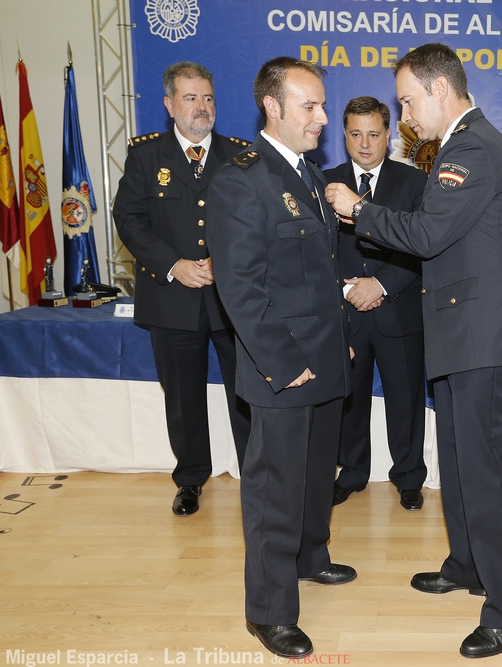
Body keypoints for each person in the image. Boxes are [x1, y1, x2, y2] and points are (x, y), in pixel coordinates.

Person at [326, 43, 502, 660]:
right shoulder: (456, 145)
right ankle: (469, 565)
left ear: (439, 91)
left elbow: (426, 235)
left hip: (482, 335)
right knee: (456, 458)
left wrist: (358, 208)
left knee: (484, 468)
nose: (407, 115)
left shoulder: (471, 146)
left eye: (408, 101)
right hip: (460, 332)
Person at [207, 57, 356, 659]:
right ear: (273, 107)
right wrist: (283, 360)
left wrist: (337, 338)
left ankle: (310, 555)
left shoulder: (309, 177)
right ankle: (269, 610)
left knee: (317, 476)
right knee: (274, 488)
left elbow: (317, 276)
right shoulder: (241, 179)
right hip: (282, 365)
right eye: (310, 107)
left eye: (321, 106)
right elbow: (240, 287)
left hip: (324, 356)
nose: (323, 118)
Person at [112, 61, 250, 517]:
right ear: (170, 105)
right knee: (183, 398)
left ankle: (258, 475)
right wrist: (174, 264)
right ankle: (191, 479)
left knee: (247, 393)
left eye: (208, 98)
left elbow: (255, 223)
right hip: (171, 296)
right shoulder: (145, 156)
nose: (202, 107)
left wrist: (225, 261)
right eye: (191, 98)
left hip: (234, 300)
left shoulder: (241, 155)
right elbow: (129, 220)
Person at [324, 97, 429, 512]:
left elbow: (422, 248)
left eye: (373, 134)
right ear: (344, 135)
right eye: (355, 134)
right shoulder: (324, 182)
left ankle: (408, 477)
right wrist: (349, 290)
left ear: (389, 136)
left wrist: (380, 285)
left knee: (406, 399)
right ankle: (351, 472)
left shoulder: (414, 183)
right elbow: (315, 251)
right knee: (349, 399)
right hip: (345, 311)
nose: (364, 144)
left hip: (398, 309)